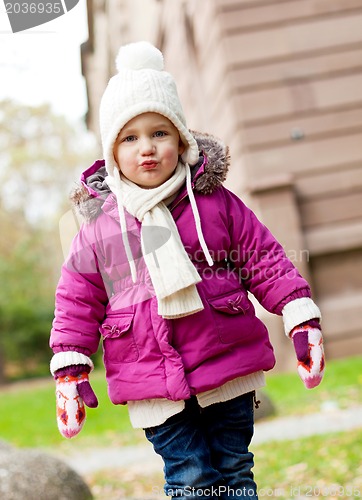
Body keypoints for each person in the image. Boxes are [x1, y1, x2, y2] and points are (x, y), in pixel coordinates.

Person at [50, 41, 325, 499]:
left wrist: (299, 314)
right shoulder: (99, 229)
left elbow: (264, 259)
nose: (147, 149)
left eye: (160, 132)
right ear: (111, 151)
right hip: (150, 377)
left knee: (234, 470)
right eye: (129, 137)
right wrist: (71, 368)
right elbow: (76, 300)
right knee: (191, 479)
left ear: (181, 138)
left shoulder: (215, 204)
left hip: (227, 365)